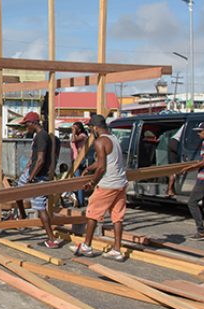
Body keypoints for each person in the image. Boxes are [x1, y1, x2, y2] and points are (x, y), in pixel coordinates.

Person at [69, 114, 129, 261]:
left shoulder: (100, 142)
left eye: (91, 129)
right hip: (121, 183)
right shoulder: (114, 139)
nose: (91, 132)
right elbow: (107, 162)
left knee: (92, 213)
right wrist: (89, 168)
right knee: (117, 217)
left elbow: (102, 168)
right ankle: (117, 250)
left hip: (108, 184)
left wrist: (92, 183)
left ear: (95, 128)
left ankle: (86, 246)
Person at [15, 111, 59, 248]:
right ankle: (22, 216)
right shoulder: (39, 136)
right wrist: (29, 167)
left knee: (40, 207)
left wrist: (31, 177)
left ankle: (51, 239)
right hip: (34, 173)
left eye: (27, 124)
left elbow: (40, 160)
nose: (26, 127)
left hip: (39, 176)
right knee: (17, 193)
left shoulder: (41, 137)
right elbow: (35, 158)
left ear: (33, 123)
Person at [70, 121, 89, 207]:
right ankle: (78, 199)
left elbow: (74, 140)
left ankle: (81, 201)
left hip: (80, 160)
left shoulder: (83, 136)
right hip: (75, 159)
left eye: (75, 128)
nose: (73, 130)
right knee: (75, 180)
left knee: (79, 180)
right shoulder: (75, 136)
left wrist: (74, 132)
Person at [166, 126, 184, 197]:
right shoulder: (187, 125)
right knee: (174, 169)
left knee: (173, 168)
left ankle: (170, 189)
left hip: (173, 142)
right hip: (175, 142)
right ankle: (170, 190)